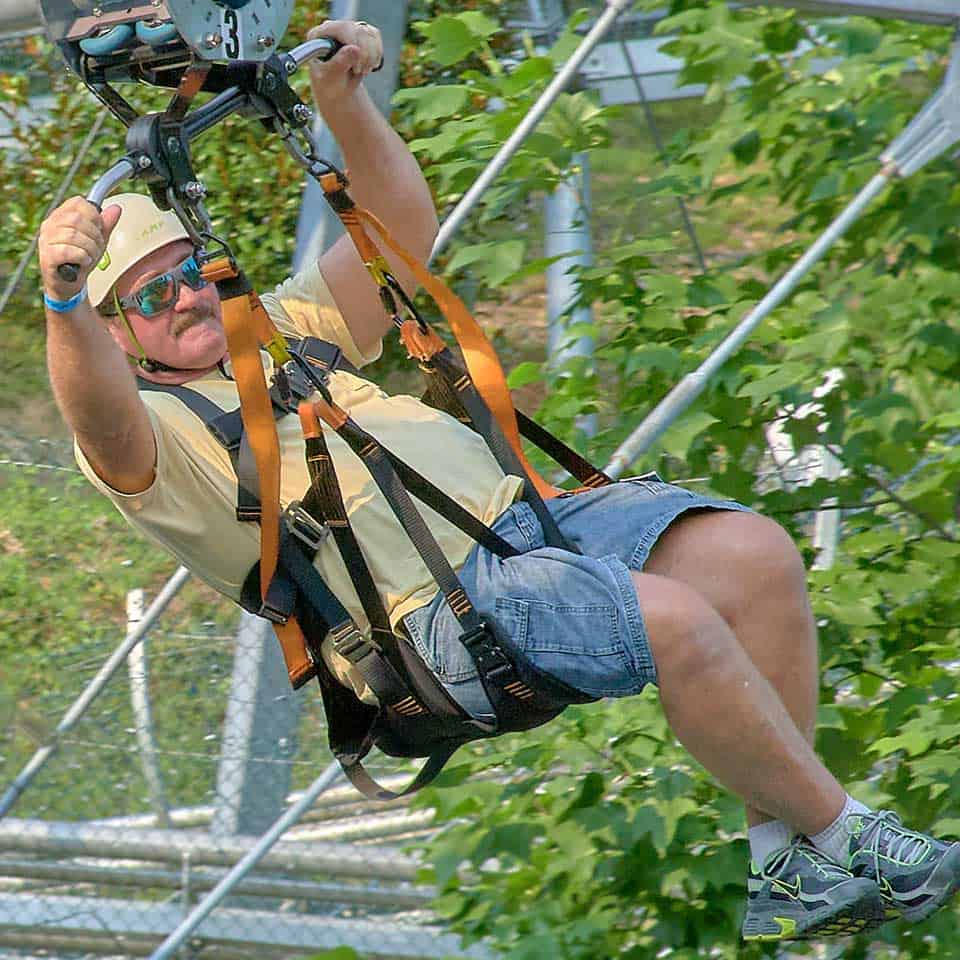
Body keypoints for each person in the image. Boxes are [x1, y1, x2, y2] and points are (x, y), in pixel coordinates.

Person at [37, 17, 960, 944]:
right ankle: (848, 831)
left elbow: (398, 232)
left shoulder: (279, 325)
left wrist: (343, 105)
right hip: (436, 619)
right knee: (675, 623)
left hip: (522, 530)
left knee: (750, 556)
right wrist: (65, 298)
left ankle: (785, 860)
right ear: (119, 331)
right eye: (151, 298)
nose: (187, 297)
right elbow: (98, 414)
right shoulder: (154, 439)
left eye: (190, 269)